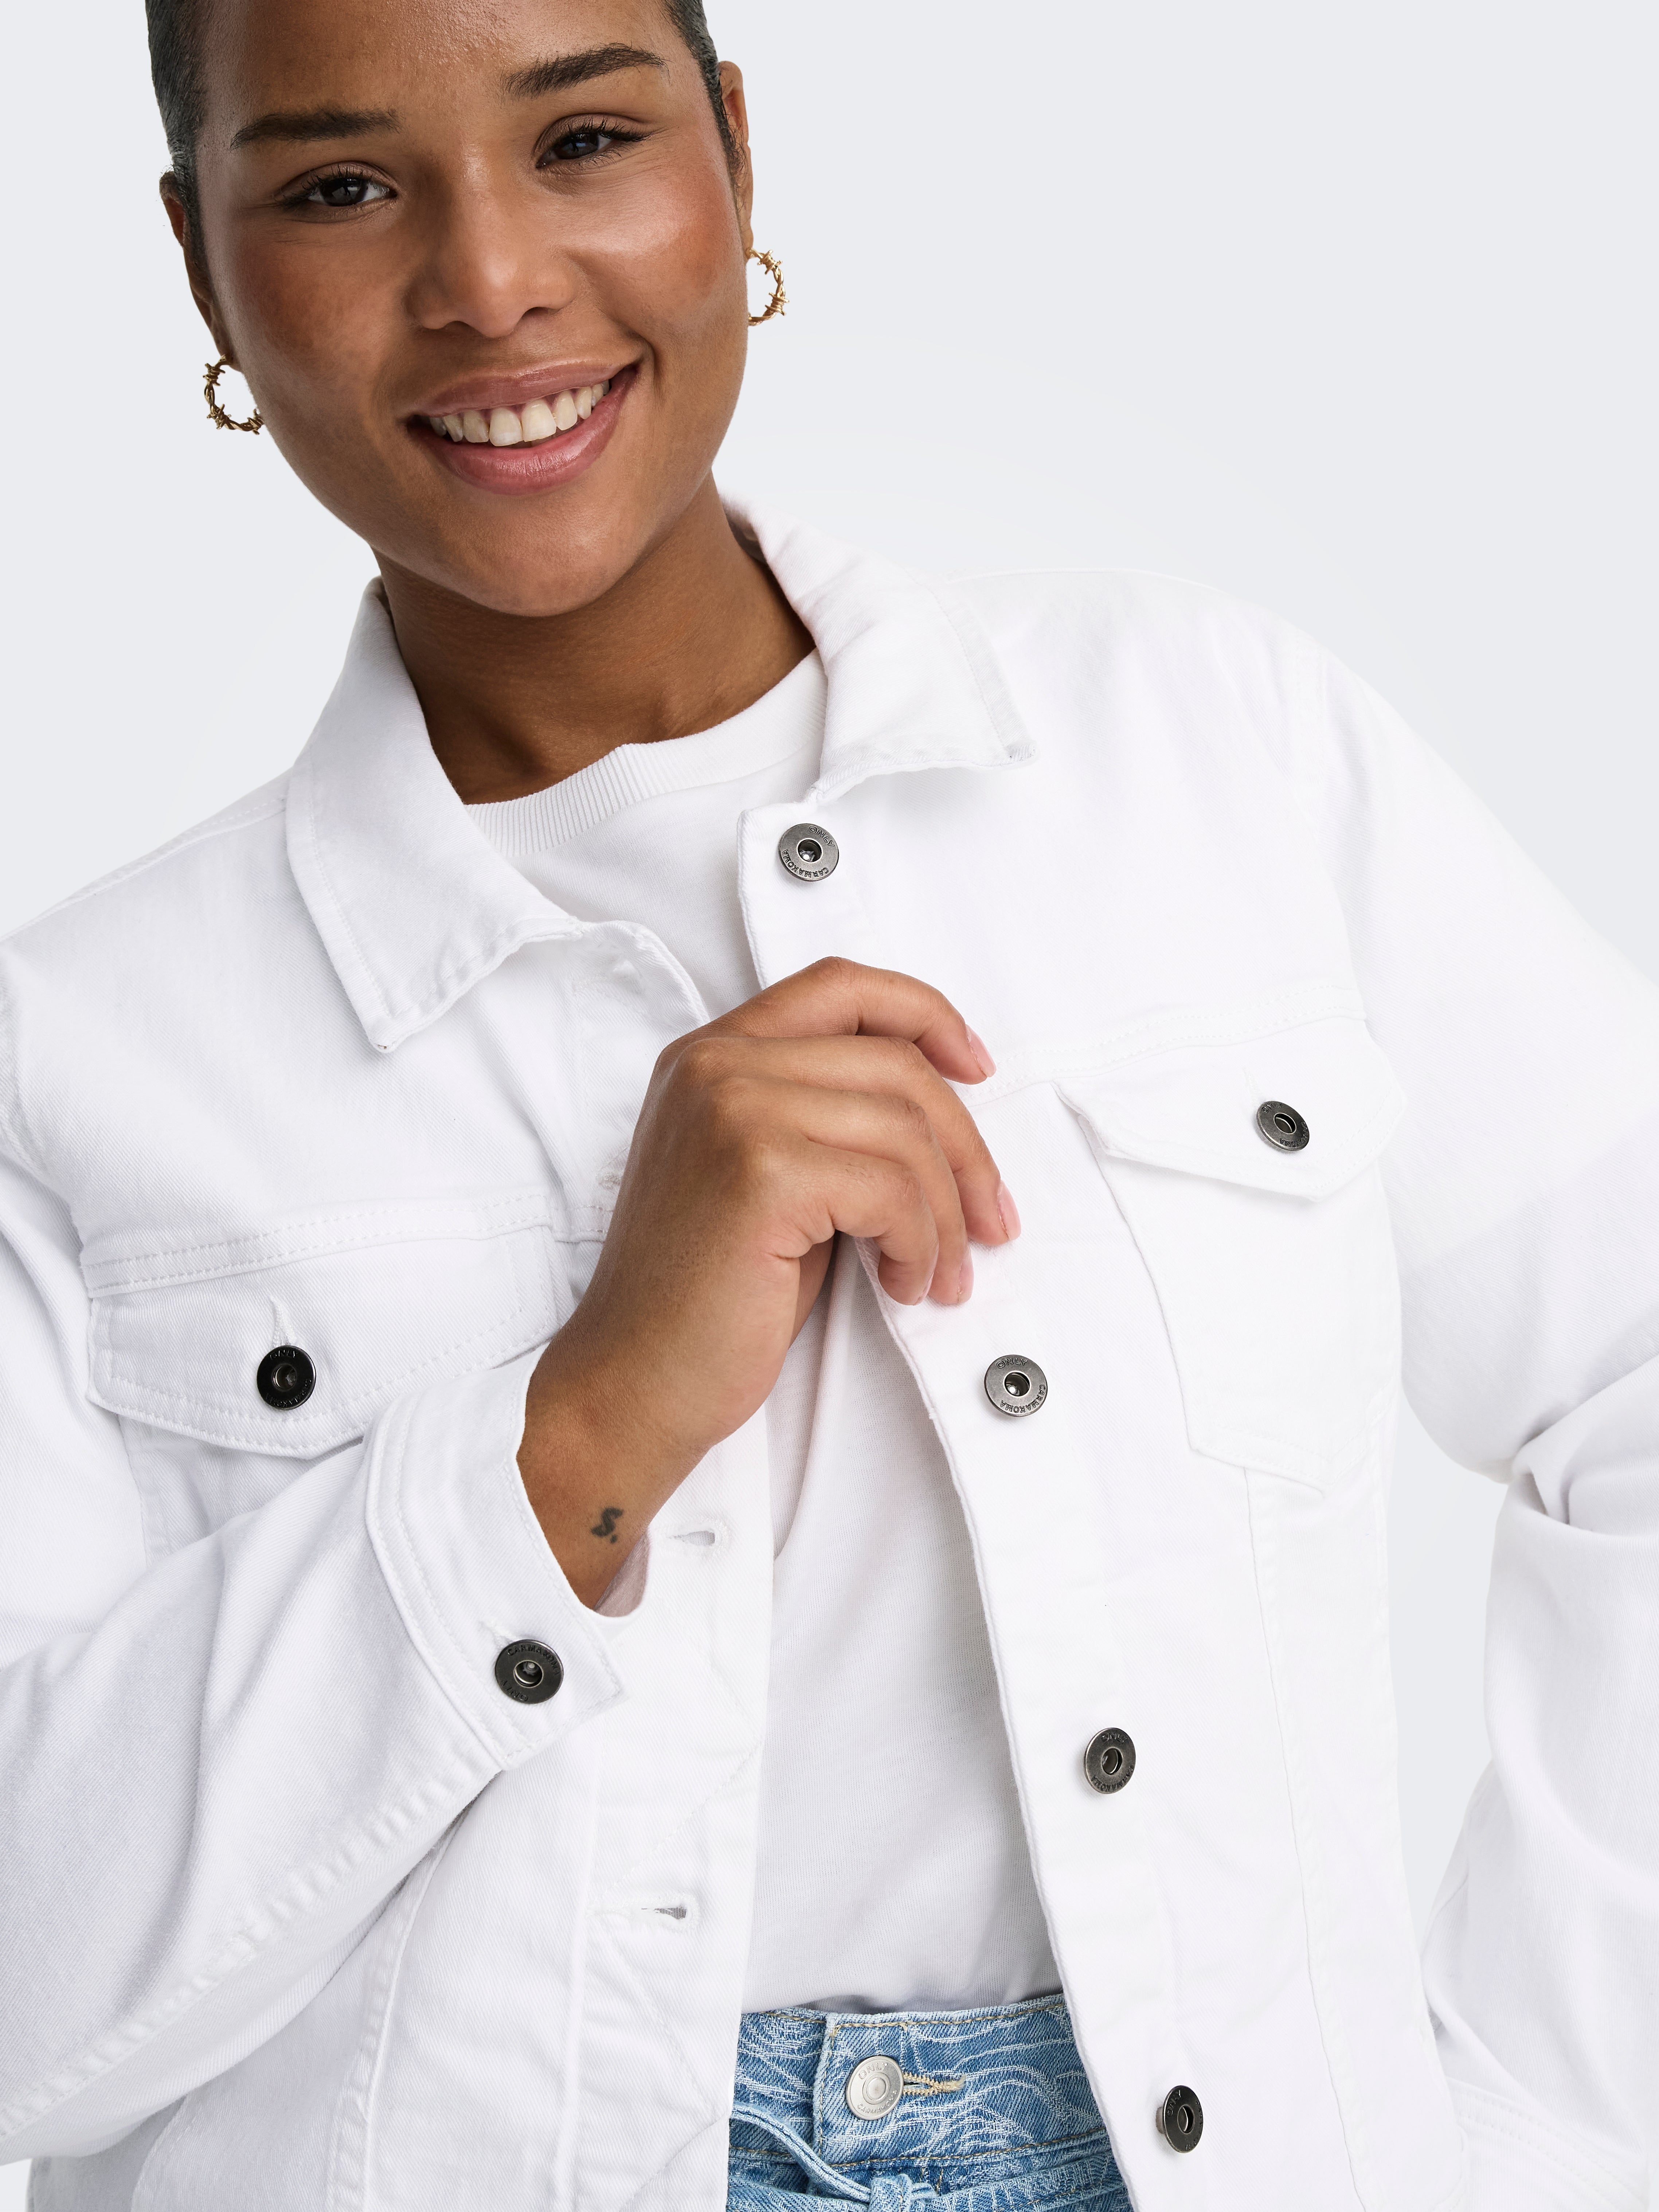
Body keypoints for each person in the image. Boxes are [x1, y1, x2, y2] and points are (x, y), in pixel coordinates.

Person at [1, 0, 1655, 2204]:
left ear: (734, 155)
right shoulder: (79, 1055)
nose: (489, 277)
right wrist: (573, 1433)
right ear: (205, 271)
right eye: (340, 186)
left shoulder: (1216, 756)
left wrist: (1537, 2137)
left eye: (584, 139)